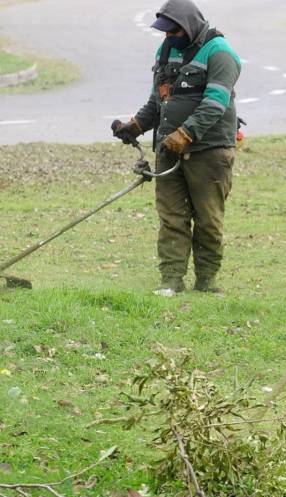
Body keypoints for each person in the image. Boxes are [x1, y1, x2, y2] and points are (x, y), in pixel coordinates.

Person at [113, 0, 241, 295]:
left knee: (208, 219)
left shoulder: (220, 53)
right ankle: (171, 279)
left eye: (174, 32)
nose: (169, 37)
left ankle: (207, 281)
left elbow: (215, 103)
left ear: (189, 26)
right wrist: (134, 127)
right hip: (168, 151)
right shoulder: (166, 50)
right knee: (171, 217)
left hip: (209, 151)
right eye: (166, 32)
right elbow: (157, 101)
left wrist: (187, 132)